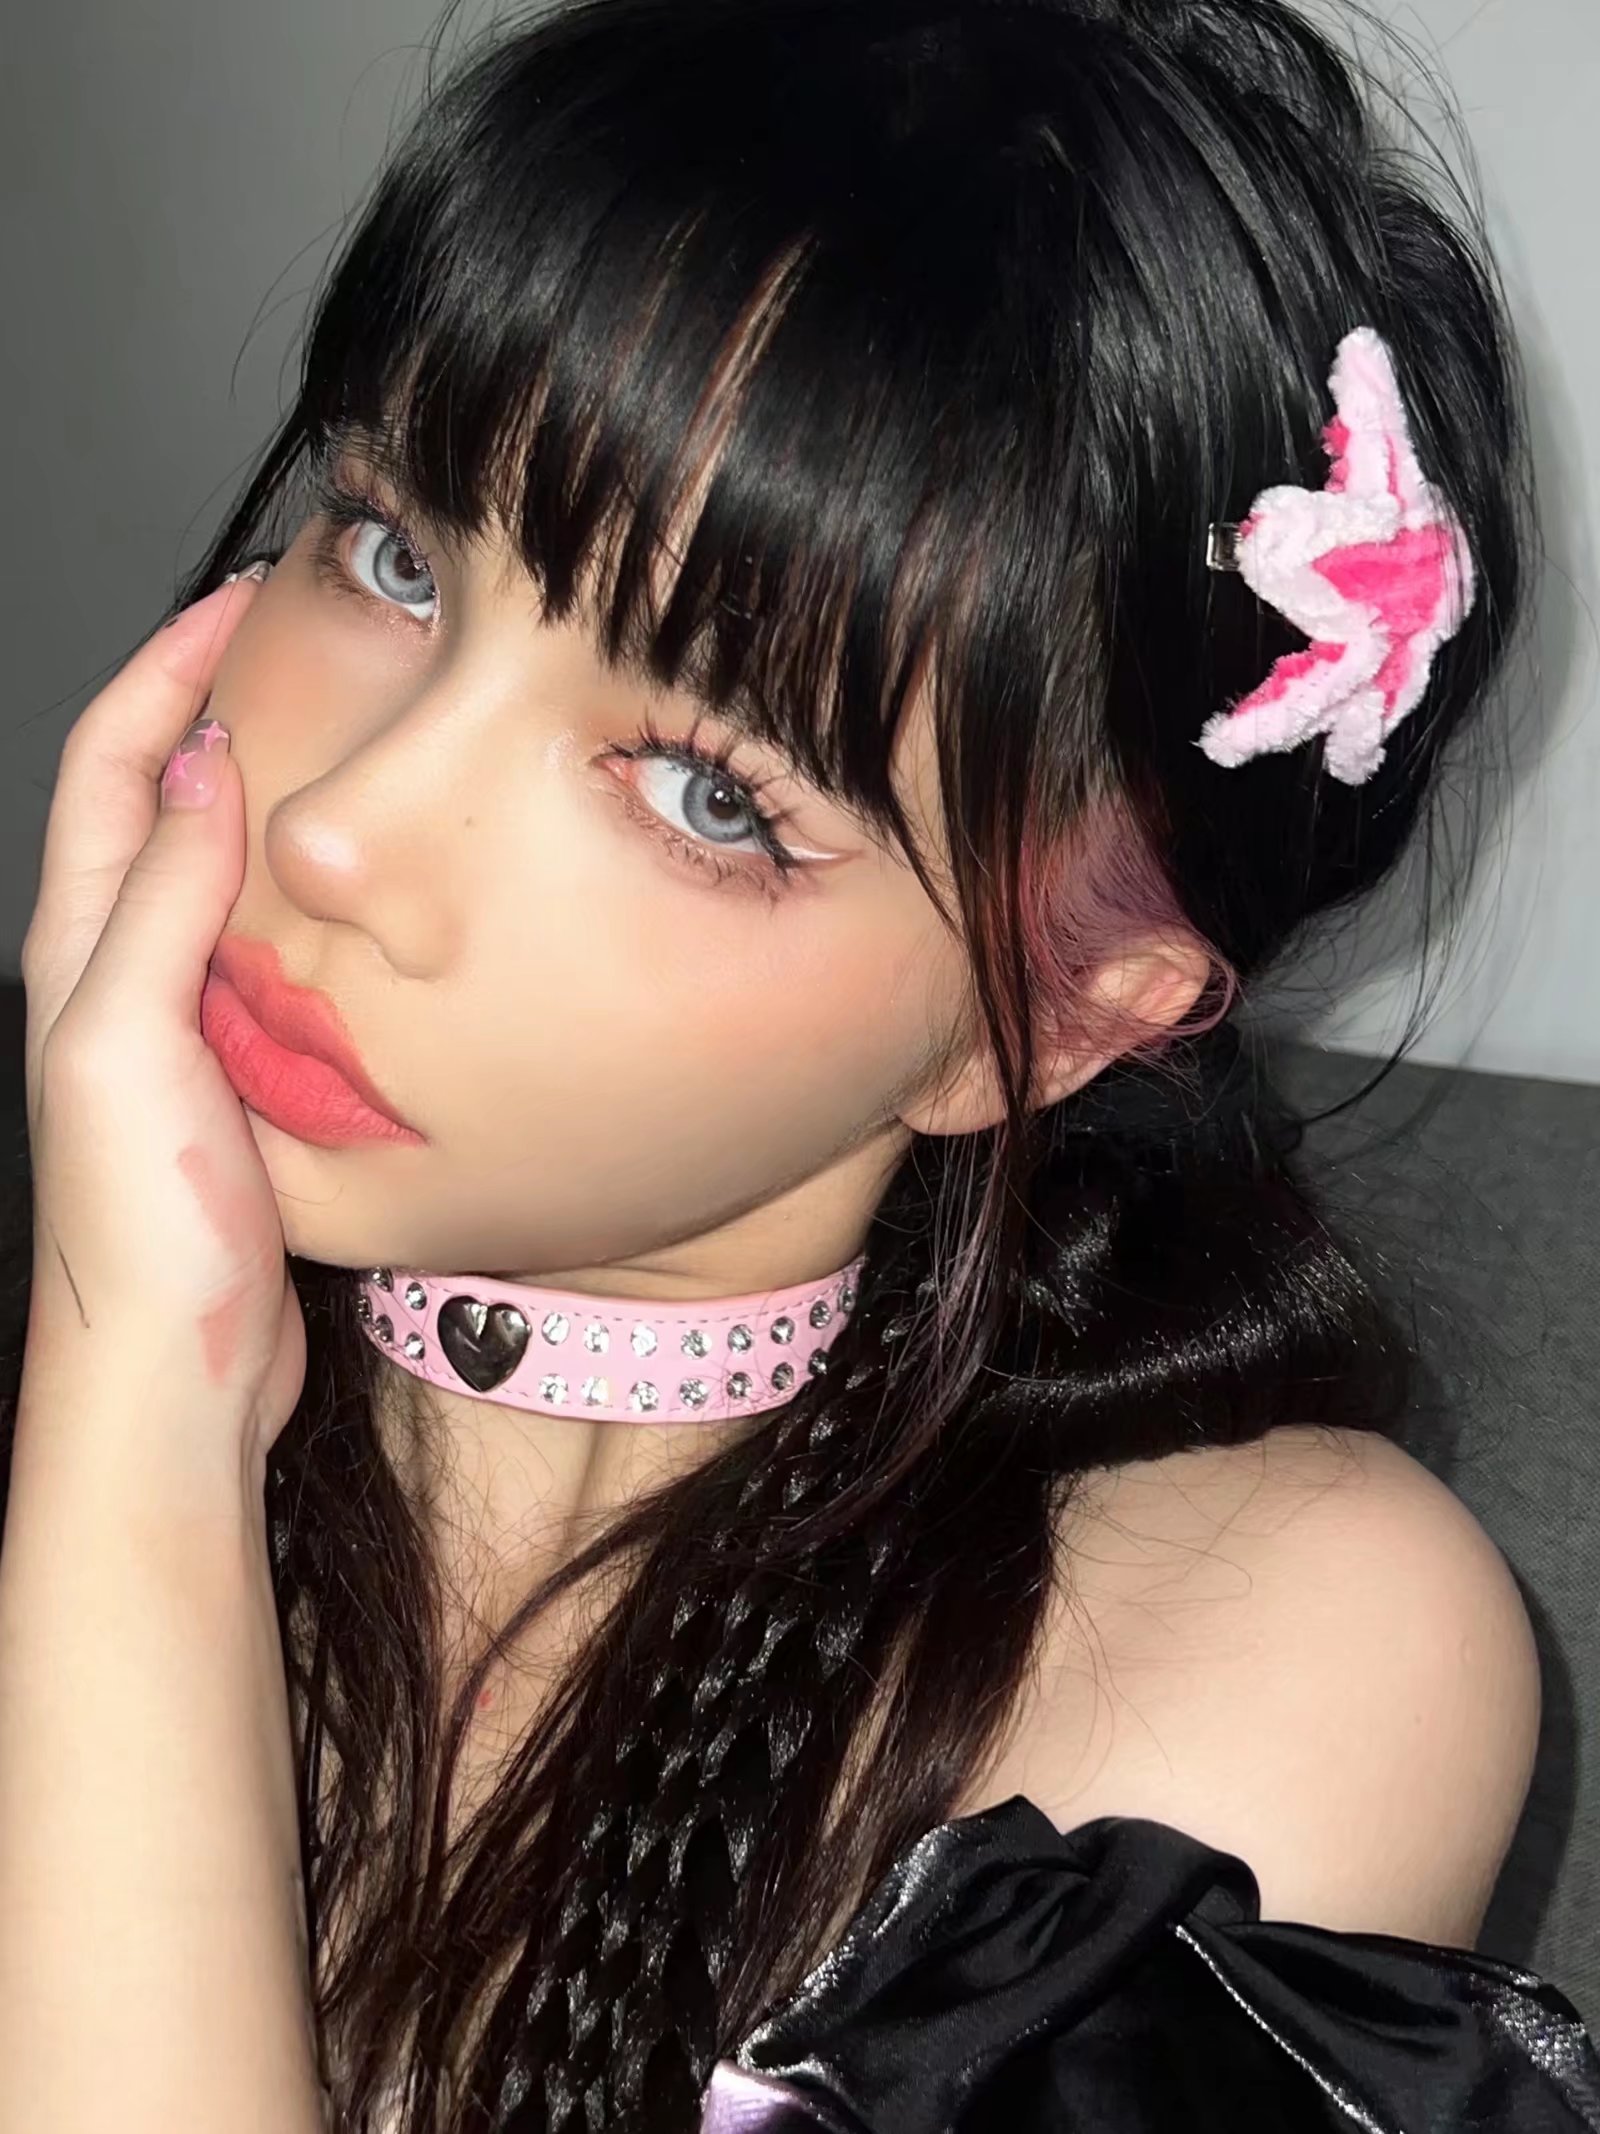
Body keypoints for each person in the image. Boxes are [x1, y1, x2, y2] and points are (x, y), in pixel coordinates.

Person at [2, 0, 1597, 2128]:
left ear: (1055, 1017)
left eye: (707, 791)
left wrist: (139, 1421)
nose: (335, 834)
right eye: (394, 553)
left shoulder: (1268, 1656)